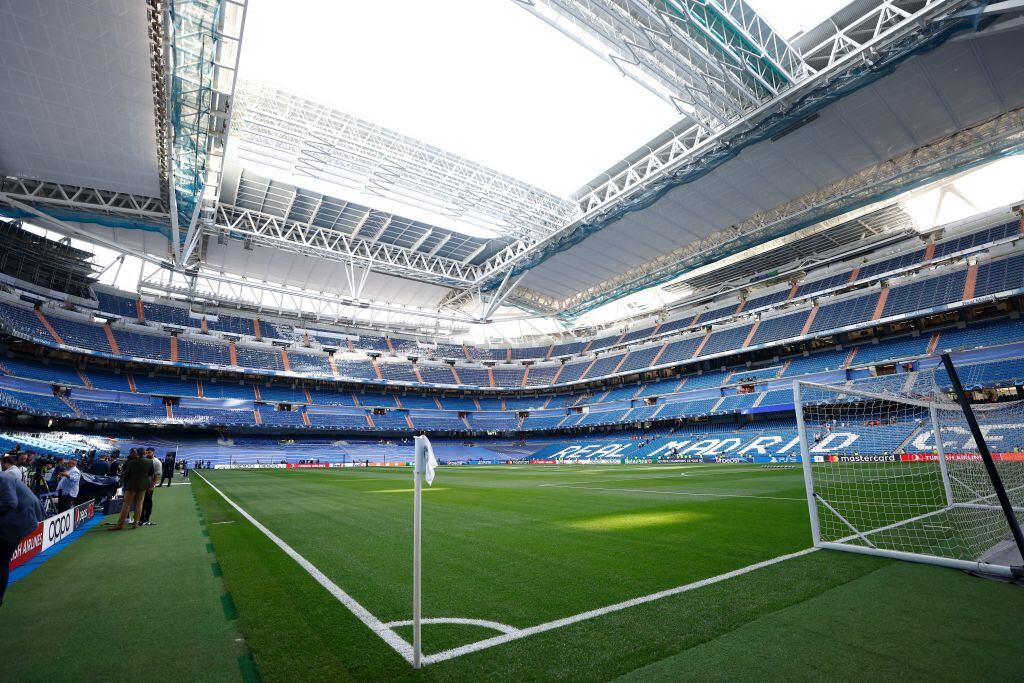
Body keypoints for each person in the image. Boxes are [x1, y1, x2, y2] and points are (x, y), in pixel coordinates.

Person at [0, 472, 44, 607]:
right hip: (18, 519)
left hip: (17, 522)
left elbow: (9, 503)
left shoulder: (3, 478)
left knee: (1, 560)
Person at [111, 451, 152, 530]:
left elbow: (126, 474)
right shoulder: (150, 462)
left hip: (131, 485)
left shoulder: (132, 462)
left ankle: (120, 525)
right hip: (143, 485)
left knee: (126, 504)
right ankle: (135, 523)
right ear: (144, 453)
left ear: (137, 454)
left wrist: (121, 475)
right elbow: (150, 474)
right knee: (139, 504)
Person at [140, 448, 161, 526]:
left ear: (153, 453)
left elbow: (158, 475)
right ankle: (140, 517)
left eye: (149, 452)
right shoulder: (144, 460)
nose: (148, 454)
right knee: (141, 502)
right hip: (141, 485)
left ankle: (146, 518)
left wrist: (152, 486)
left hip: (149, 485)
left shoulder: (157, 462)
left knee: (147, 502)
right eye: (146, 452)